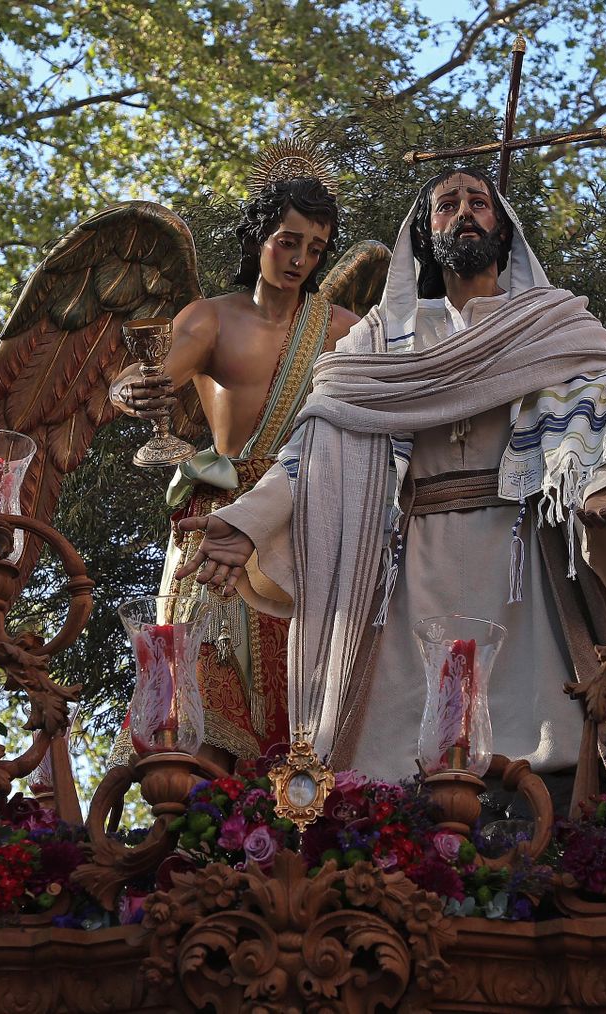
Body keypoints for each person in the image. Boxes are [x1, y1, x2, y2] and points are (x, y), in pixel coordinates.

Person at [178, 166, 606, 800]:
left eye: (478, 203)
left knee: (543, 737)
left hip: (519, 565)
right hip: (410, 574)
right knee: (395, 755)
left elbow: (603, 419)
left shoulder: (552, 327)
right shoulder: (383, 339)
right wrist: (248, 520)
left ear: (503, 230)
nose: (463, 214)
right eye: (445, 206)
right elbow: (317, 438)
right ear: (425, 236)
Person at [109, 176, 360, 770]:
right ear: (258, 238)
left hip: (297, 513)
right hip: (217, 510)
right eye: (288, 241)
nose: (300, 260)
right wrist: (131, 392)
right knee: (198, 677)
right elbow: (147, 375)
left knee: (303, 683)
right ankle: (191, 811)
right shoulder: (212, 319)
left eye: (315, 249)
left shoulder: (346, 332)